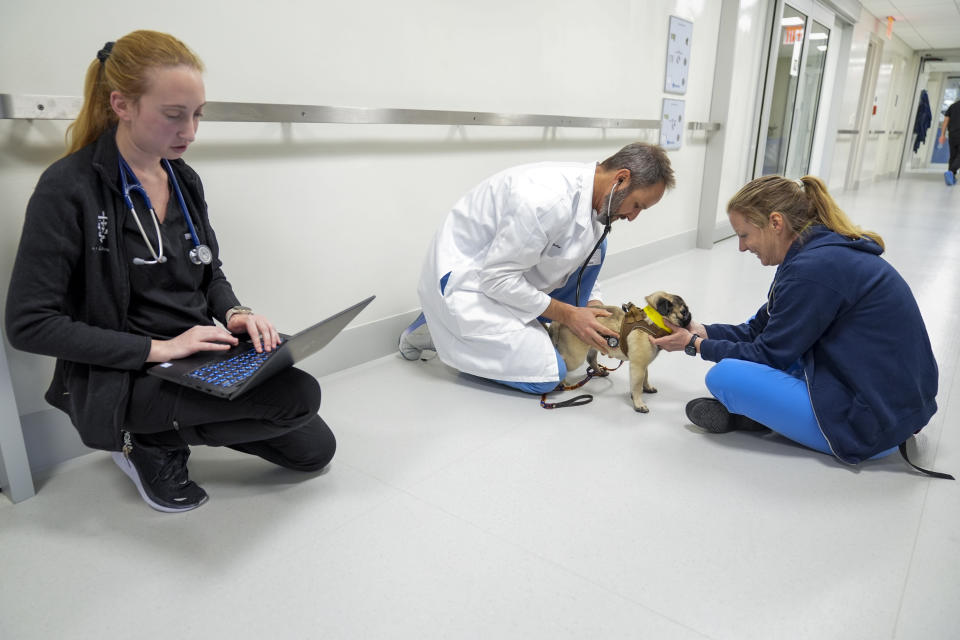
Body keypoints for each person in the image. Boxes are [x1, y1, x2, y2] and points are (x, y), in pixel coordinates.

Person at [5, 31, 335, 513]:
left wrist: (236, 313)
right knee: (298, 396)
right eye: (174, 115)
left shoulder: (182, 179)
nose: (190, 132)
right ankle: (146, 441)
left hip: (200, 355)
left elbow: (209, 270)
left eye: (197, 114)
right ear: (122, 104)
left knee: (313, 451)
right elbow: (29, 324)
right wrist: (159, 348)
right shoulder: (68, 188)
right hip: (130, 369)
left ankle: (173, 425)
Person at [651, 175, 941, 470]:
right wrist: (704, 332)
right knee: (766, 351)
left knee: (724, 377)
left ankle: (754, 416)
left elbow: (769, 354)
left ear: (775, 223)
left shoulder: (811, 270)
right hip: (891, 404)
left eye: (744, 235)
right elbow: (759, 329)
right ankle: (757, 415)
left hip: (870, 424)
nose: (741, 247)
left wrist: (696, 346)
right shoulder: (816, 251)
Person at [399, 143, 675, 394]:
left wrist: (596, 310)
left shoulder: (593, 197)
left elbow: (581, 256)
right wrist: (569, 315)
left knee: (597, 249)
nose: (632, 217)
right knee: (550, 375)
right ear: (621, 178)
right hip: (465, 284)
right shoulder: (546, 201)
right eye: (636, 205)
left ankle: (535, 333)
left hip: (503, 274)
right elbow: (496, 280)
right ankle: (434, 330)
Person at [939, 97, 960, 186]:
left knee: (953, 156)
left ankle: (951, 177)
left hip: (952, 135)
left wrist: (942, 135)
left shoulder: (953, 106)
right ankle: (951, 172)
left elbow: (945, 121)